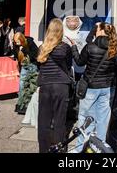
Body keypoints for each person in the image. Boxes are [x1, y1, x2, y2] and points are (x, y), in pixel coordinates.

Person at [68, 22, 117, 152]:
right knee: (102, 120)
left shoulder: (90, 47)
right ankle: (98, 148)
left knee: (85, 118)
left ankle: (80, 148)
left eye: (96, 29)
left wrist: (74, 47)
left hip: (91, 88)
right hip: (107, 88)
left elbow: (79, 62)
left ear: (100, 31)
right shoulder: (114, 48)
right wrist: (95, 28)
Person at [36, 18, 73, 153]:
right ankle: (59, 149)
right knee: (59, 121)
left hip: (46, 86)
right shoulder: (65, 48)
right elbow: (68, 66)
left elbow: (39, 67)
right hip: (61, 86)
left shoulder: (42, 48)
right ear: (61, 31)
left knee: (43, 121)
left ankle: (44, 150)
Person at [13, 32, 38, 114]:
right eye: (15, 42)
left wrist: (24, 50)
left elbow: (35, 54)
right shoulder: (16, 45)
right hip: (24, 65)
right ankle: (21, 105)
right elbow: (16, 55)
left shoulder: (30, 42)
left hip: (32, 65)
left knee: (32, 85)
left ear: (22, 40)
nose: (16, 43)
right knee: (22, 84)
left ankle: (30, 105)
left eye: (18, 42)